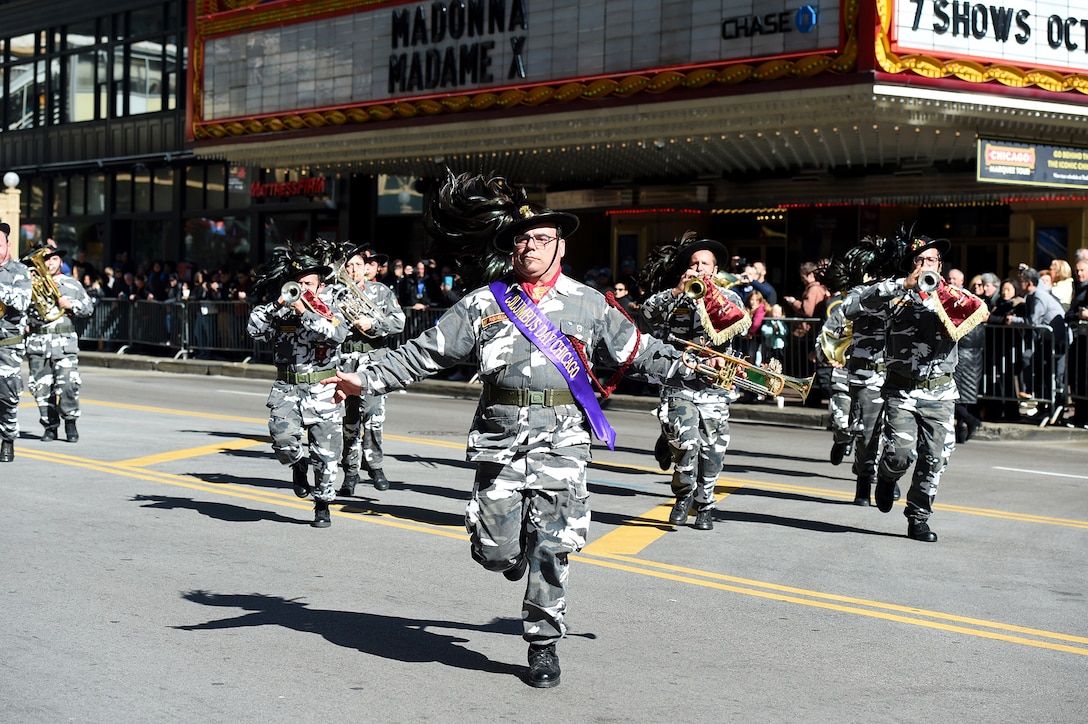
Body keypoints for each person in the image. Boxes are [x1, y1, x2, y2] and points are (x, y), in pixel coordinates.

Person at [322, 173, 717, 688]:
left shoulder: (589, 302)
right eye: (524, 239)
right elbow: (425, 353)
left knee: (556, 543)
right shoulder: (484, 303)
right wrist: (365, 377)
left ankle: (543, 642)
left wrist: (694, 366)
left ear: (560, 245)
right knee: (495, 551)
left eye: (542, 238)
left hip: (563, 436)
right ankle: (515, 549)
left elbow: (638, 351)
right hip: (500, 434)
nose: (531, 246)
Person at [850, 233, 986, 542]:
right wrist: (902, 285)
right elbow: (856, 305)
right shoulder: (896, 293)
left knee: (933, 458)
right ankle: (886, 476)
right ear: (911, 264)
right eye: (920, 260)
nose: (927, 265)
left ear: (940, 265)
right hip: (902, 389)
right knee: (900, 454)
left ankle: (918, 517)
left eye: (932, 260)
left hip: (939, 392)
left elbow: (977, 316)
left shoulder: (953, 296)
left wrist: (954, 302)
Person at [639, 232, 750, 532]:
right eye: (694, 263)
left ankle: (706, 505)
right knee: (686, 443)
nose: (699, 268)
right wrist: (677, 290)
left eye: (705, 264)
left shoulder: (730, 298)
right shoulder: (675, 296)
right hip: (679, 381)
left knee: (712, 451)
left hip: (714, 386)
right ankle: (684, 493)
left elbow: (740, 328)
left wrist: (722, 357)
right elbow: (647, 316)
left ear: (715, 269)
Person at [247, 242, 348, 528]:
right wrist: (279, 304)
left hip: (323, 389)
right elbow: (254, 329)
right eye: (298, 282)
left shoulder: (331, 308)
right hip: (287, 388)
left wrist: (306, 311)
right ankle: (298, 464)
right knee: (282, 442)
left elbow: (336, 334)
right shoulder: (281, 308)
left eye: (308, 283)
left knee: (327, 456)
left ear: (320, 285)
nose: (302, 287)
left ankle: (323, 504)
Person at [331, 242, 405, 495]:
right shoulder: (335, 295)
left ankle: (375, 464)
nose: (353, 270)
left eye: (358, 265)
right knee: (349, 420)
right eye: (348, 266)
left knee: (373, 415)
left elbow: (398, 322)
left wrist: (372, 323)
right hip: (347, 361)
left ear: (366, 268)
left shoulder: (380, 291)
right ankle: (350, 472)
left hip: (374, 361)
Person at [22, 242, 95, 442]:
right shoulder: (30, 285)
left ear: (60, 261)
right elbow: (20, 312)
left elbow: (89, 308)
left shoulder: (72, 284)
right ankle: (50, 426)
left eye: (55, 259)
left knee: (67, 385)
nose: (51, 263)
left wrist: (71, 304)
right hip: (38, 344)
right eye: (46, 260)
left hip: (64, 344)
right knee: (41, 388)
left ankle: (70, 423)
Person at [0, 223, 33, 462]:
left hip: (7, 345)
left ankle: (8, 438)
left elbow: (21, 302)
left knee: (7, 396)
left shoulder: (19, 271)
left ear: (8, 245)